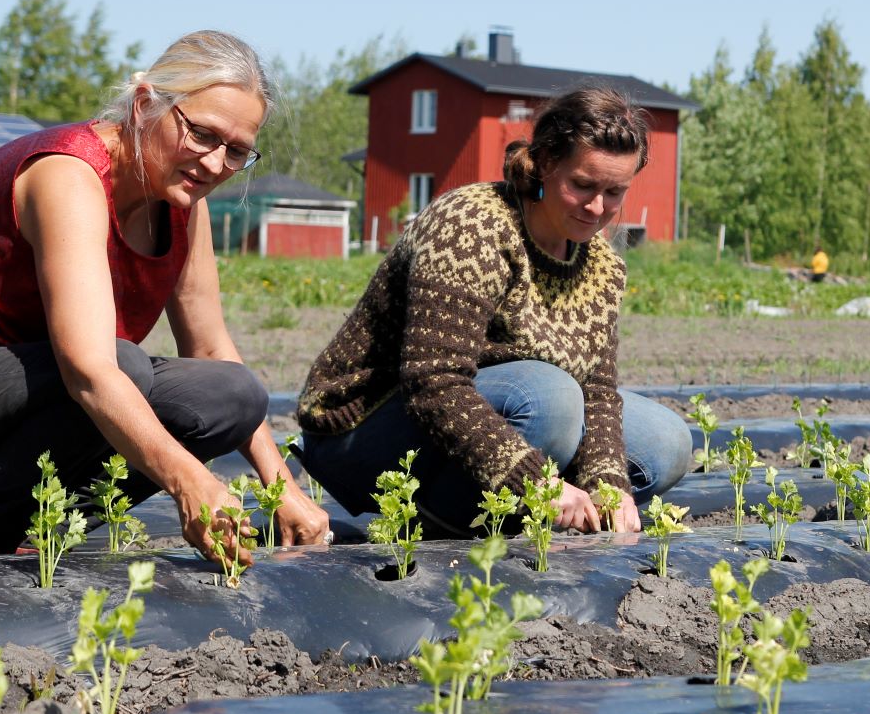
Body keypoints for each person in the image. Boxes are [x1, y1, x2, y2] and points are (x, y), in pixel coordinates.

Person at [0, 30, 329, 561]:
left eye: (237, 151)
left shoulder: (182, 202)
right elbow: (88, 370)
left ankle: (32, 532)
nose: (214, 163)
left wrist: (282, 489)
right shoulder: (68, 174)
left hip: (19, 399)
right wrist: (189, 482)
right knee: (119, 365)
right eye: (202, 133)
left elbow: (209, 348)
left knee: (233, 395)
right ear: (144, 103)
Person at [297, 87, 693, 537]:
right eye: (582, 185)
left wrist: (608, 483)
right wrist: (537, 481)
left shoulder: (600, 265)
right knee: (551, 397)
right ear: (544, 162)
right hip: (365, 428)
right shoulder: (474, 226)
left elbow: (599, 390)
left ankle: (522, 513)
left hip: (488, 415)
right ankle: (443, 524)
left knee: (665, 442)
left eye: (614, 192)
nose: (597, 207)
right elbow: (432, 381)